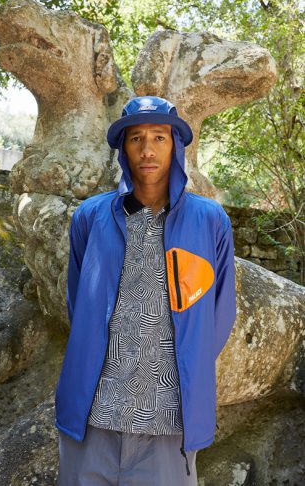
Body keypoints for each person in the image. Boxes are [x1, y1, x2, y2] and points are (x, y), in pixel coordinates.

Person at [55, 96, 237, 485]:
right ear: (123, 149)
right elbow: (78, 302)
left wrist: (185, 362)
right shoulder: (90, 217)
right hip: (93, 417)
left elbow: (220, 314)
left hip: (170, 423)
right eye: (136, 138)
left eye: (159, 137)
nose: (147, 150)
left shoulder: (210, 221)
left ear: (177, 146)